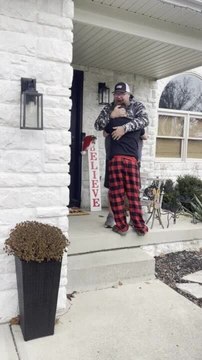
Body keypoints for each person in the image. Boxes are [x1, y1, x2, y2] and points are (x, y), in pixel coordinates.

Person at [94, 82, 149, 228]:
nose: (119, 97)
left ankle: (132, 217)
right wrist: (112, 116)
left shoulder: (137, 106)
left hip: (133, 155)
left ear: (128, 95)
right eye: (116, 94)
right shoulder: (109, 108)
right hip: (112, 154)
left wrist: (125, 128)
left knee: (131, 188)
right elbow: (98, 126)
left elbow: (144, 120)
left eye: (122, 94)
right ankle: (112, 216)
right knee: (113, 187)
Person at [104, 104, 148, 236]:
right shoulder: (138, 125)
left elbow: (105, 133)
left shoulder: (113, 122)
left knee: (117, 195)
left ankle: (122, 227)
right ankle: (140, 227)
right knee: (133, 196)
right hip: (132, 162)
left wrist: (113, 118)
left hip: (116, 160)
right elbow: (145, 137)